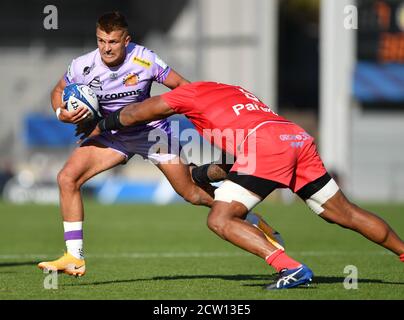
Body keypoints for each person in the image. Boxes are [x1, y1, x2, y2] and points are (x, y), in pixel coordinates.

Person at [86, 81, 404, 289]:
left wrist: (101, 124)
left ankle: (291, 268)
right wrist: (199, 176)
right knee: (344, 212)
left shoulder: (186, 94)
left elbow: (136, 113)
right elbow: (243, 165)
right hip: (293, 136)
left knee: (220, 218)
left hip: (265, 145)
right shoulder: (234, 90)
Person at [37, 12, 281, 277]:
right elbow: (58, 90)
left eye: (113, 42)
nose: (106, 48)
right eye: (101, 41)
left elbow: (183, 87)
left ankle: (254, 222)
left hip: (152, 134)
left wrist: (213, 125)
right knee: (67, 178)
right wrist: (61, 113)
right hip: (112, 136)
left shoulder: (145, 59)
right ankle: (75, 257)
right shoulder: (82, 66)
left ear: (126, 40)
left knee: (192, 193)